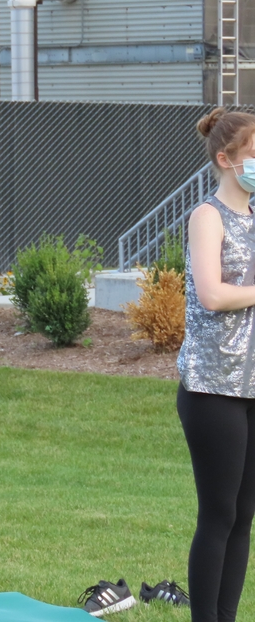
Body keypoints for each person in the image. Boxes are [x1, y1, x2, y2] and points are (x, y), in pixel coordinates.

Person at [178, 107, 255, 622]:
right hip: (211, 388)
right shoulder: (207, 217)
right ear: (227, 159)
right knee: (219, 515)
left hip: (252, 386)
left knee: (244, 516)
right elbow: (211, 294)